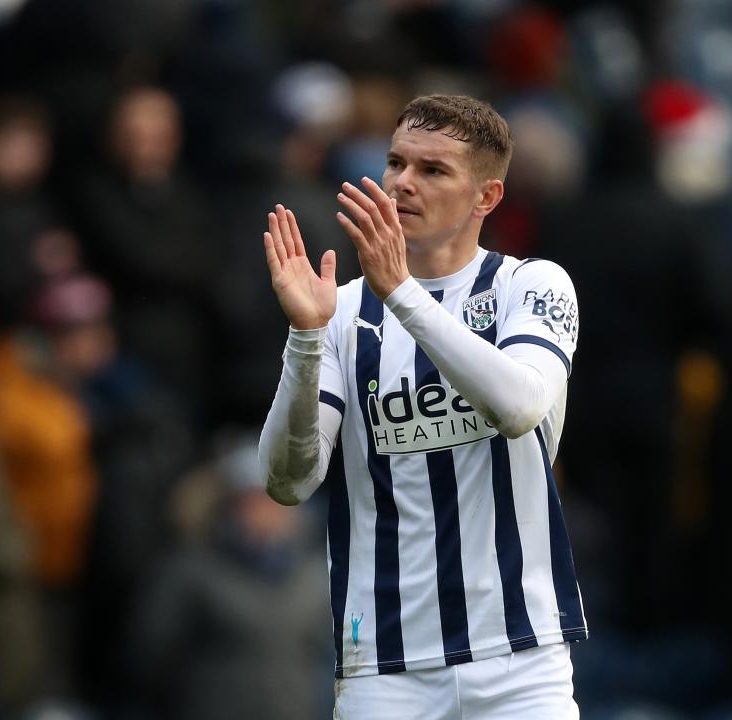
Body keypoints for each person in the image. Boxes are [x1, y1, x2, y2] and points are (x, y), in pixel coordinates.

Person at [258, 94, 586, 719]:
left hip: (521, 659)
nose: (403, 183)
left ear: (486, 197)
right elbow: (288, 480)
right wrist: (304, 338)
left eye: (433, 170)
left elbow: (518, 406)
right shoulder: (343, 311)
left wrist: (402, 292)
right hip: (385, 666)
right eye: (396, 163)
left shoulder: (532, 286)